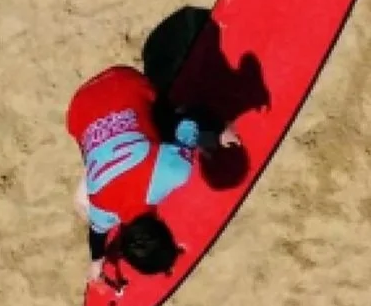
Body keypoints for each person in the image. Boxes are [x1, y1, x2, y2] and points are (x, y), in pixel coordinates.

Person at [67, 60, 242, 289]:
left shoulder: (173, 173)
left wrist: (216, 134)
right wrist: (96, 261)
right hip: (79, 108)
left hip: (121, 84)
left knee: (172, 127)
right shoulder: (101, 212)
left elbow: (188, 124)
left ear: (164, 225)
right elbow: (96, 234)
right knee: (82, 204)